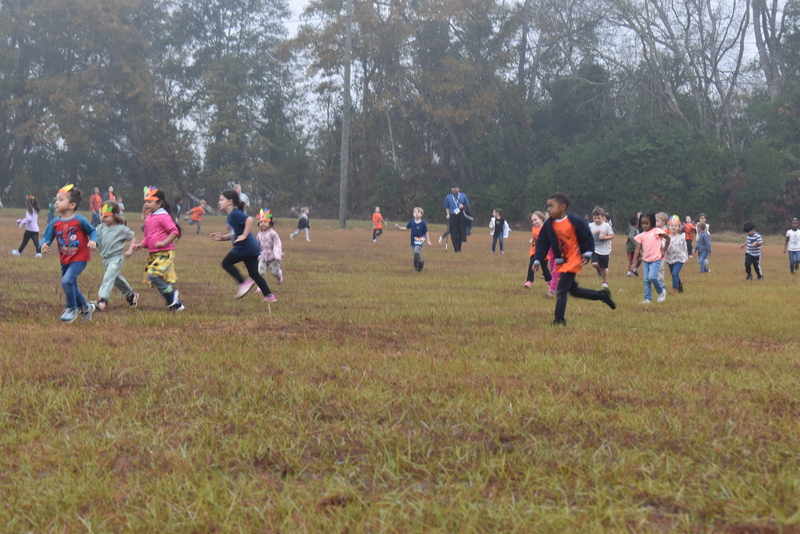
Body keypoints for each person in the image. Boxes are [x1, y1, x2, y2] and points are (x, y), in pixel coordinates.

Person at [531, 193, 616, 325]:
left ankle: (559, 320)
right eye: (548, 206)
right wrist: (537, 259)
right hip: (561, 262)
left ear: (563, 207)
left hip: (572, 261)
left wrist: (587, 253)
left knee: (561, 290)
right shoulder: (549, 224)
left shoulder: (574, 221)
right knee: (574, 291)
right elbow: (542, 242)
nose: (548, 209)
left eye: (552, 206)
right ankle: (602, 295)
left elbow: (587, 236)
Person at [38, 184, 98, 322]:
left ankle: (72, 308)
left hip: (79, 258)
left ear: (72, 205)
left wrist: (94, 241)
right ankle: (86, 307)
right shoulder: (55, 222)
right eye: (56, 200)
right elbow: (46, 237)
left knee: (66, 281)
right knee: (71, 284)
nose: (56, 202)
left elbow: (92, 231)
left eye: (60, 200)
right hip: (65, 259)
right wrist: (43, 245)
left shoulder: (80, 220)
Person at [211, 190, 276, 302]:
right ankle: (269, 296)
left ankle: (243, 283)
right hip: (251, 247)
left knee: (226, 263)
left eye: (221, 200)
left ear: (230, 202)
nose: (219, 202)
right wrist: (222, 238)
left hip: (245, 247)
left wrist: (245, 235)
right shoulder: (231, 216)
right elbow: (234, 234)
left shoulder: (235, 214)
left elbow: (249, 220)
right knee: (254, 273)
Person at [129, 186, 184, 311]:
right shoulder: (150, 217)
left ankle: (171, 295)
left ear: (159, 203)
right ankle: (176, 305)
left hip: (165, 252)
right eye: (146, 202)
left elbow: (174, 231)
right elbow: (149, 236)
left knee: (153, 275)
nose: (146, 205)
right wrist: (142, 244)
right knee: (159, 280)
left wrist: (164, 242)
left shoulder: (163, 216)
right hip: (154, 253)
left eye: (149, 202)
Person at [94, 201, 138, 310]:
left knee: (108, 277)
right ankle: (131, 295)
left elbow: (132, 237)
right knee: (115, 279)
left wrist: (130, 250)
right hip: (106, 259)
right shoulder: (100, 228)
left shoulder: (121, 229)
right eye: (102, 216)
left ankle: (102, 299)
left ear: (115, 215)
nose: (104, 219)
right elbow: (93, 237)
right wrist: (92, 243)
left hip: (116, 258)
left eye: (107, 216)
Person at [632, 213, 670, 304]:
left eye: (646, 223)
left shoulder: (657, 231)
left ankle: (661, 291)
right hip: (646, 261)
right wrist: (634, 262)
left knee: (652, 277)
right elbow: (637, 249)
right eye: (642, 223)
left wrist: (664, 250)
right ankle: (648, 298)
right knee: (646, 280)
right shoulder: (641, 235)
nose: (644, 225)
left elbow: (668, 238)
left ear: (652, 223)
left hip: (656, 260)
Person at [395, 207, 432, 271]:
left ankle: (421, 261)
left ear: (421, 214)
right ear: (413, 214)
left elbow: (426, 232)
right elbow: (406, 228)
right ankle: (417, 267)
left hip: (420, 240)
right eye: (415, 212)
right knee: (415, 255)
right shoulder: (411, 222)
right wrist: (399, 227)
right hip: (413, 240)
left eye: (418, 212)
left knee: (416, 251)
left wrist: (428, 240)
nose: (416, 214)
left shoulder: (423, 223)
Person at [257, 209, 284, 287]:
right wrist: (256, 253)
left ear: (270, 224)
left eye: (265, 222)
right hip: (263, 256)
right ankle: (260, 286)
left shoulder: (273, 233)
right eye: (261, 222)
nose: (262, 224)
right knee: (260, 271)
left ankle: (279, 275)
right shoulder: (259, 235)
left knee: (274, 272)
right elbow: (257, 244)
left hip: (273, 256)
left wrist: (277, 254)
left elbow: (277, 243)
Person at [524, 211, 551, 288]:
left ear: (542, 219)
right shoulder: (533, 228)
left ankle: (550, 281)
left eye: (536, 220)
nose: (534, 222)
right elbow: (535, 237)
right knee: (531, 265)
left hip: (543, 252)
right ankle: (529, 282)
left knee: (544, 268)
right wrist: (532, 240)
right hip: (534, 251)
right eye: (533, 221)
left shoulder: (545, 228)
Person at [589, 206, 614, 288]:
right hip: (594, 249)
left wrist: (605, 237)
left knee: (604, 268)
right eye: (594, 218)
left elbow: (612, 236)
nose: (596, 220)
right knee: (594, 264)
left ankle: (604, 282)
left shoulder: (606, 226)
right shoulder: (591, 226)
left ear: (603, 217)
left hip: (604, 250)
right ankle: (598, 269)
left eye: (598, 218)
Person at [443, 183, 469, 252]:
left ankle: (459, 246)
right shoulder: (448, 197)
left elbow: (467, 206)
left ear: (458, 188)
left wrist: (463, 206)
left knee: (460, 232)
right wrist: (448, 214)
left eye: (456, 187)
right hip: (452, 216)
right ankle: (456, 248)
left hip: (461, 216)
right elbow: (447, 207)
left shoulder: (463, 196)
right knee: (453, 232)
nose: (454, 189)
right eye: (453, 187)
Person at [665, 215, 688, 294]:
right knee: (674, 274)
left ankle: (674, 289)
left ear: (679, 227)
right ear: (669, 227)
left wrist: (686, 257)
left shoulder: (681, 237)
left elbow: (684, 247)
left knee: (675, 273)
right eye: (672, 226)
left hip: (679, 258)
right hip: (670, 258)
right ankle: (679, 284)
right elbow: (663, 247)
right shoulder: (667, 237)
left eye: (675, 226)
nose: (673, 227)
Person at [655, 212, 669, 289]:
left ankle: (661, 284)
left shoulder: (665, 231)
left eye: (657, 221)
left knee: (660, 269)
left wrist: (660, 244)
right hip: (654, 254)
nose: (655, 222)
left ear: (663, 222)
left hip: (661, 254)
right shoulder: (654, 230)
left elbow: (665, 242)